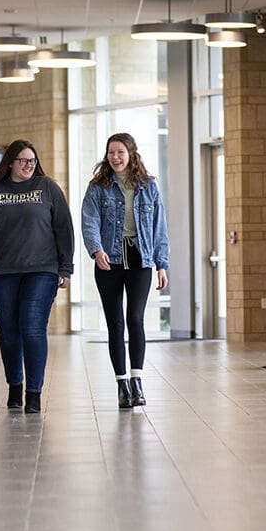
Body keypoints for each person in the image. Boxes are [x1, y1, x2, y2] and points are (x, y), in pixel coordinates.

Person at [0, 139, 74, 414]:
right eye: (24, 161)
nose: (29, 165)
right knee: (10, 331)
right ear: (10, 163)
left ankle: (34, 393)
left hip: (42, 269)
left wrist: (65, 269)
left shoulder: (47, 187)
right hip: (3, 271)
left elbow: (64, 228)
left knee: (32, 326)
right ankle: (15, 386)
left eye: (33, 161)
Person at [81, 133, 169, 409]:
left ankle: (138, 381)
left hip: (140, 259)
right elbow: (89, 221)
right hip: (108, 261)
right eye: (111, 153)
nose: (115, 157)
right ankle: (122, 384)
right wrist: (96, 250)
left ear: (131, 153)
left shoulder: (148, 186)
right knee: (115, 324)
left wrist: (162, 264)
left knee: (135, 319)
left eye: (120, 152)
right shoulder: (98, 187)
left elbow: (159, 227)